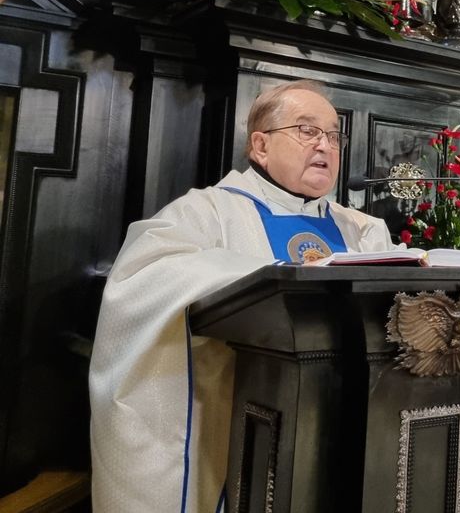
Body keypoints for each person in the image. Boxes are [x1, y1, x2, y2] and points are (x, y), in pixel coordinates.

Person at [89, 80, 399, 512]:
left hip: (343, 424)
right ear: (261, 145)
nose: (325, 146)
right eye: (307, 130)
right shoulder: (206, 212)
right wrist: (269, 276)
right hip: (241, 420)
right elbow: (142, 281)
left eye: (333, 136)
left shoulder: (361, 229)